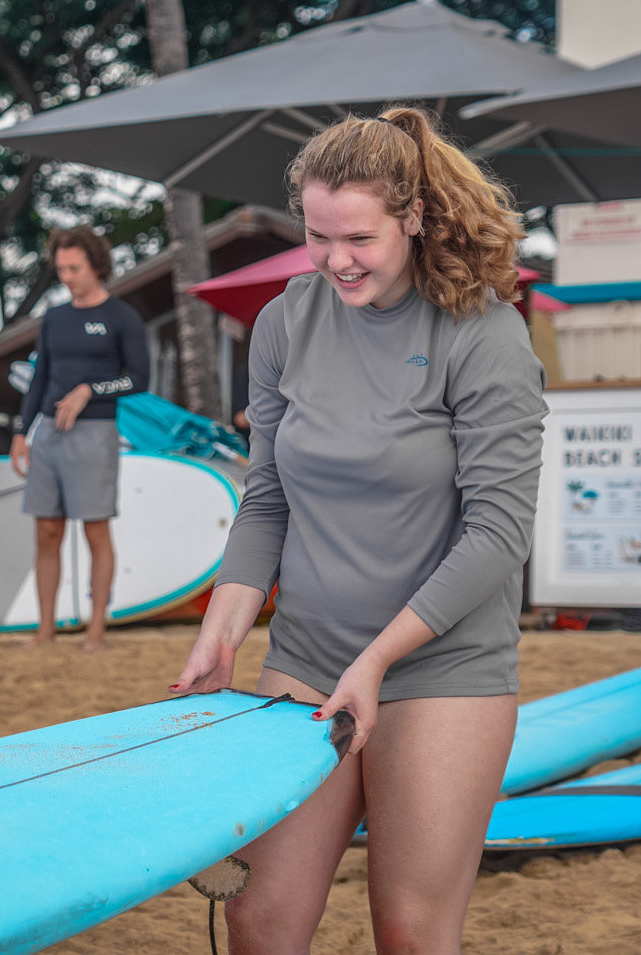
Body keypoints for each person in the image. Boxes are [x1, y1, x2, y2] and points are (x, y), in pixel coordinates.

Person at [170, 109, 545, 954]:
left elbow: (498, 533)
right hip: (306, 656)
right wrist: (221, 635)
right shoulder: (284, 322)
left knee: (409, 931)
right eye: (317, 235)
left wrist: (375, 661)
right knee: (259, 917)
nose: (337, 259)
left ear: (413, 216)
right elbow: (267, 497)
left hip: (442, 671)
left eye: (360, 238)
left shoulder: (484, 332)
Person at [7, 226, 148, 652]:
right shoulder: (54, 318)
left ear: (96, 266)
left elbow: (139, 378)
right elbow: (40, 378)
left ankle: (96, 631)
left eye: (75, 268)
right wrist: (21, 432)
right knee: (46, 531)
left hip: (96, 434)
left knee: (95, 532)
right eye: (61, 269)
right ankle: (45, 630)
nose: (67, 277)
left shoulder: (122, 317)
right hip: (49, 433)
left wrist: (90, 389)